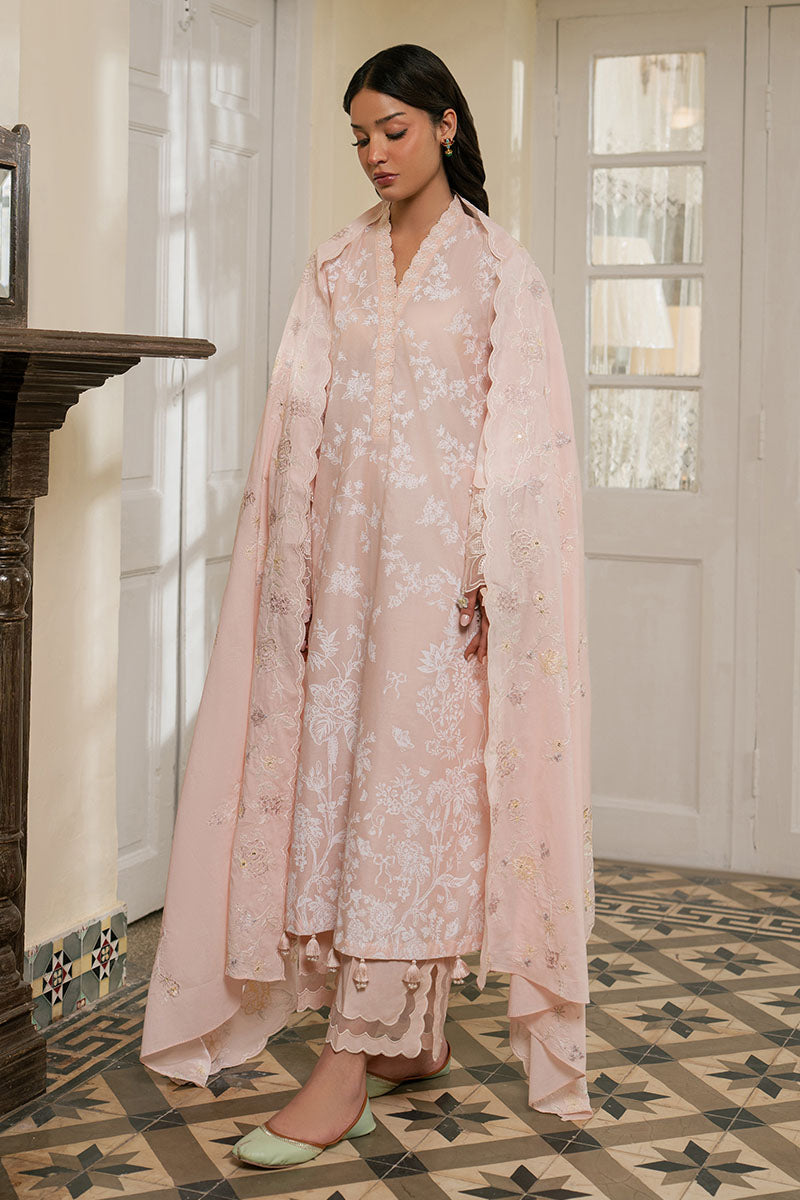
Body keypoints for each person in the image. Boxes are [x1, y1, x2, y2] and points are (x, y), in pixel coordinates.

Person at [140, 43, 595, 1168]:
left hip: (444, 600)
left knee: (411, 809)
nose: (376, 154)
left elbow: (529, 444)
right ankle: (411, 1033)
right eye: (359, 137)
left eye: (394, 129)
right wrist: (291, 579)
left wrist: (490, 576)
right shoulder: (335, 265)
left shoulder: (499, 271)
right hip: (341, 591)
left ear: (445, 125)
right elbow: (292, 424)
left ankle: (348, 1061)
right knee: (346, 802)